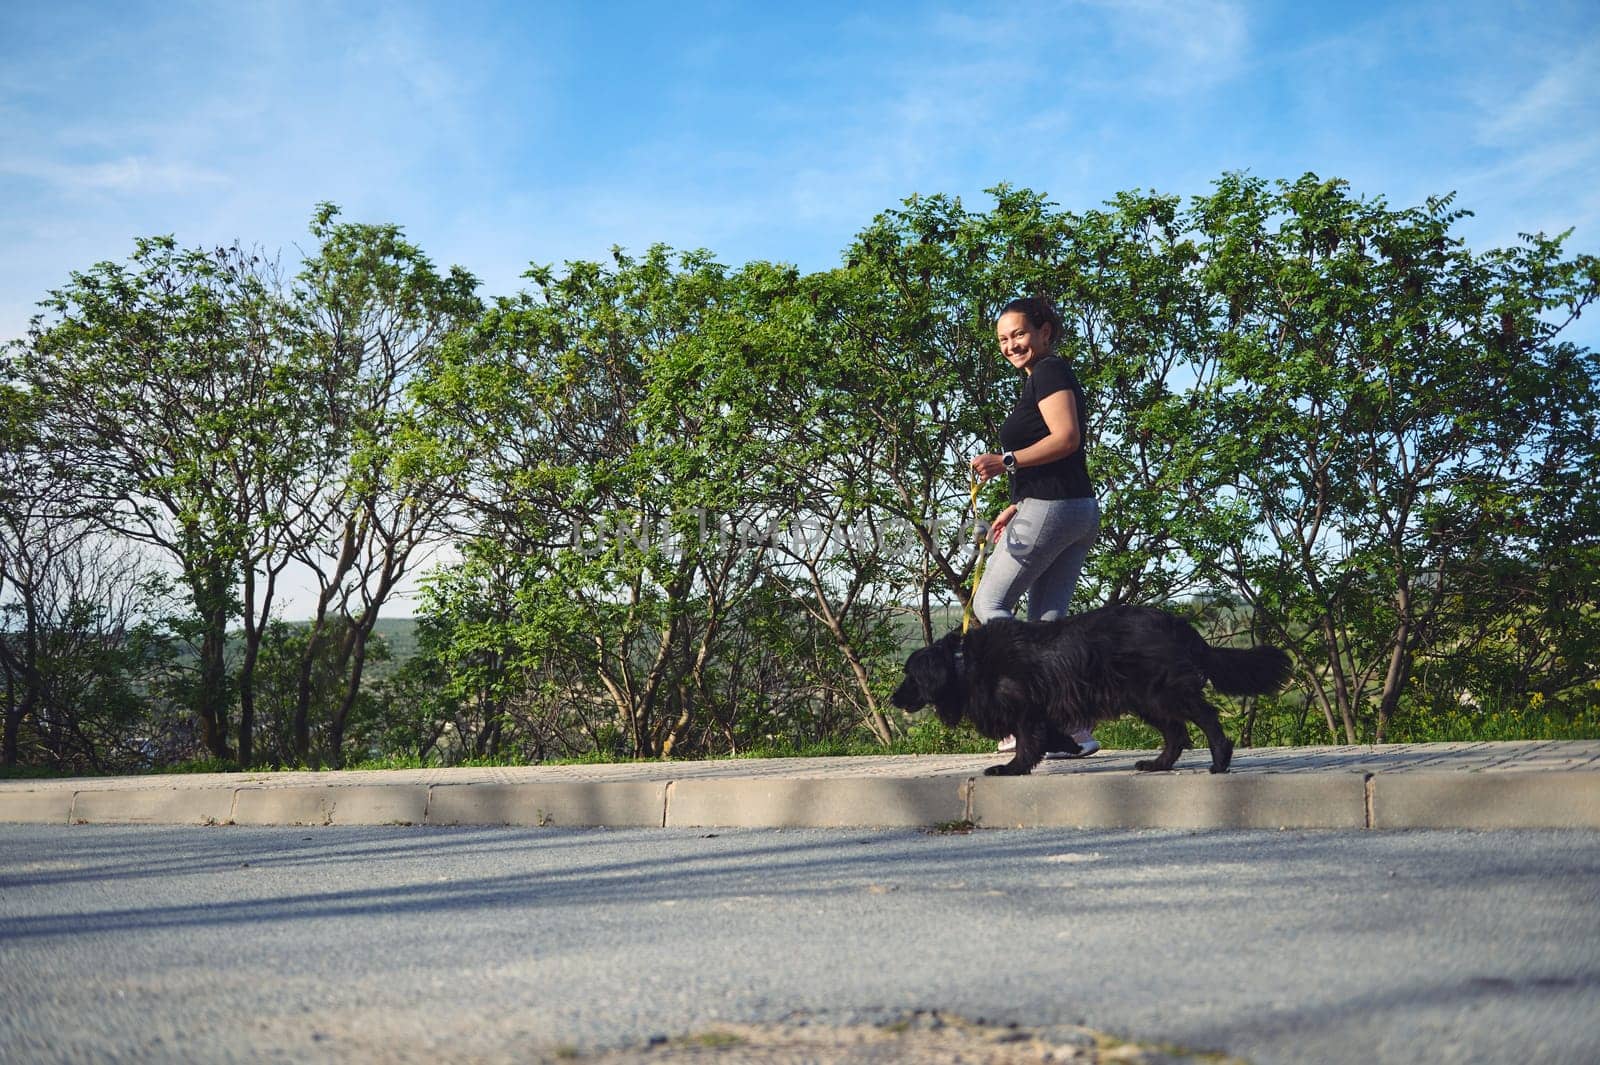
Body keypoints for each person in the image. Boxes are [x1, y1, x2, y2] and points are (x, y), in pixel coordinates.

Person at [969, 296, 1101, 759]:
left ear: (1045, 332)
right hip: (1071, 508)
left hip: (1055, 508)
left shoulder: (1048, 372)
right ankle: (1074, 728)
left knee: (990, 602)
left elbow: (1066, 439)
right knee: (1048, 627)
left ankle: (1036, 719)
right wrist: (1016, 504)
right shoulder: (1041, 378)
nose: (1012, 345)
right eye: (1004, 339)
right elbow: (1055, 454)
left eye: (1020, 334)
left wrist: (1005, 461)